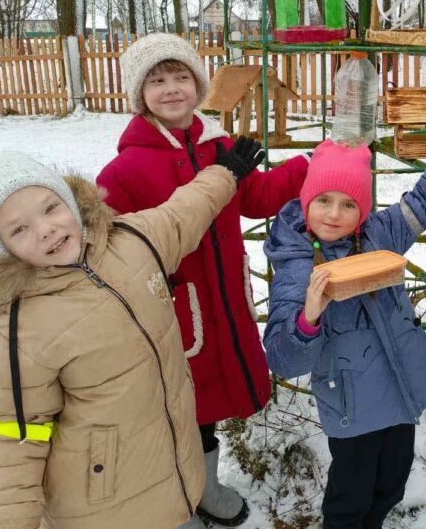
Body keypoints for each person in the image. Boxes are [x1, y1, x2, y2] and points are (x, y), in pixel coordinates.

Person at [0, 150, 248, 528]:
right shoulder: (13, 333)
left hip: (174, 468)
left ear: (68, 200)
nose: (46, 229)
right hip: (104, 509)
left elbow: (183, 212)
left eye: (51, 207)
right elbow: (17, 441)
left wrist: (225, 173)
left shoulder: (132, 241)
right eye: (19, 229)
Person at [97, 33, 309, 526]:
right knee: (172, 408)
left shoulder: (219, 146)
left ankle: (205, 484)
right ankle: (176, 500)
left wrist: (308, 166)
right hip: (170, 309)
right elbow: (109, 243)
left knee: (205, 405)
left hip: (223, 304)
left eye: (181, 77)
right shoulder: (126, 167)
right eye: (157, 81)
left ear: (198, 84)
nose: (172, 89)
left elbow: (254, 198)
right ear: (139, 94)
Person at [262, 108, 426, 529]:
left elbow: (423, 201)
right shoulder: (298, 262)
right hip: (351, 407)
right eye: (323, 200)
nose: (334, 214)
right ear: (307, 201)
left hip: (399, 390)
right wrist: (308, 319)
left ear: (363, 209)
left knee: (390, 487)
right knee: (348, 502)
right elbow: (284, 360)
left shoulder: (380, 235)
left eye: (348, 203)